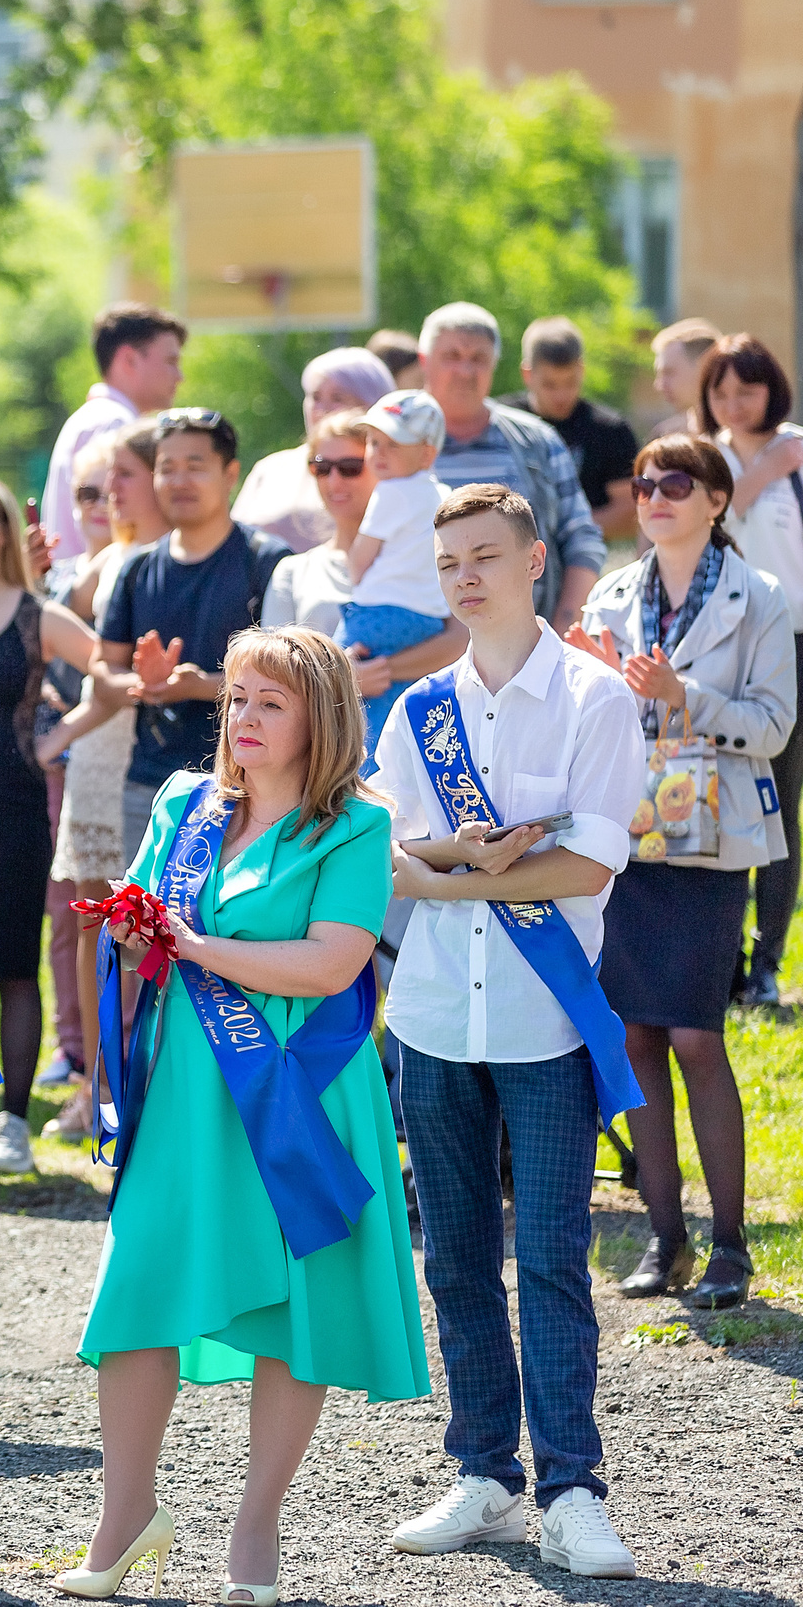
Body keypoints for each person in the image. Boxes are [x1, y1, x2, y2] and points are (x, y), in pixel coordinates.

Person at [61, 627, 421, 1606]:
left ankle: (254, 1530)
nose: (244, 717)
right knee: (137, 1286)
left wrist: (192, 946)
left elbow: (332, 964)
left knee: (288, 1308)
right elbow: (149, 938)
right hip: (184, 1086)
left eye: (270, 701)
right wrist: (134, 933)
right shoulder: (183, 804)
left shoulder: (355, 825)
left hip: (297, 1089)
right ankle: (124, 1518)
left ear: (321, 717)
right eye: (235, 698)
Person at [371, 484, 644, 1581]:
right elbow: (384, 855)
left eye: (485, 556)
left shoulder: (594, 698)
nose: (466, 578)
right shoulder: (417, 710)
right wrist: (467, 861)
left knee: (554, 1261)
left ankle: (573, 1489)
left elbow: (587, 864)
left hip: (545, 1021)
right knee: (456, 1260)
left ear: (535, 560)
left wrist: (459, 869)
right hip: (434, 1016)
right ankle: (484, 1473)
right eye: (449, 563)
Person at [572, 436, 792, 1310]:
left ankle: (730, 1244)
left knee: (697, 1036)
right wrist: (597, 684)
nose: (655, 496)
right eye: (643, 483)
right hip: (626, 839)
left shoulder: (760, 595)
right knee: (634, 1036)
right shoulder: (610, 594)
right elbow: (587, 719)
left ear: (717, 500)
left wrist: (681, 695)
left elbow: (774, 726)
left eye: (676, 482)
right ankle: (666, 1239)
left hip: (710, 843)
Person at [0, 468, 103, 1176]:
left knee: (13, 967)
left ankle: (13, 1120)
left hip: (12, 808)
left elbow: (114, 677)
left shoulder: (37, 614)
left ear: (5, 524)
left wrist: (55, 740)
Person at [97, 408, 292, 855]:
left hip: (249, 788)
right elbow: (104, 671)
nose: (179, 481)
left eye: (195, 466)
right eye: (167, 468)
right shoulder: (137, 568)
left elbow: (289, 681)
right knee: (142, 903)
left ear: (231, 475)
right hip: (149, 787)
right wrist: (144, 685)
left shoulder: (267, 562)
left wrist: (197, 685)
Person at [42, 425, 159, 1134]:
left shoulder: (176, 558)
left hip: (153, 756)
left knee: (156, 927)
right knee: (95, 924)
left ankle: (148, 1087)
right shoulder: (112, 557)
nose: (110, 492)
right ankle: (98, 1085)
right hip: (99, 755)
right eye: (100, 481)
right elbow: (76, 625)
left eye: (124, 475)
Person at [701, 334, 803, 1005]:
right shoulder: (700, 456)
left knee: (781, 804)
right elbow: (703, 525)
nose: (734, 404)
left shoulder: (798, 448)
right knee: (715, 797)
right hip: (719, 644)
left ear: (773, 390)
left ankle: (766, 959)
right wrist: (761, 471)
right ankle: (719, 958)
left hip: (792, 642)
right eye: (721, 392)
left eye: (748, 390)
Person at [259, 410, 469, 703]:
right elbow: (271, 671)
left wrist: (377, 672)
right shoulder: (293, 571)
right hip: (326, 730)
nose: (334, 481)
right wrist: (341, 677)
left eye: (350, 467)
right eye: (321, 467)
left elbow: (461, 641)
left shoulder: (430, 554)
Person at [417, 302, 604, 629]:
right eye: (452, 356)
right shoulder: (389, 445)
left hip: (526, 644)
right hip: (416, 646)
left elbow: (581, 539)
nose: (465, 371)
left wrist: (561, 630)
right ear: (424, 360)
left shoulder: (537, 442)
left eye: (478, 359)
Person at [338, 391, 453, 753]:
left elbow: (358, 564)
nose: (379, 453)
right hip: (428, 622)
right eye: (374, 442)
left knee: (340, 698)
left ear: (427, 454)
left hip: (376, 616)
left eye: (394, 444)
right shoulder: (443, 496)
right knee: (398, 716)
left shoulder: (391, 492)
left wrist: (351, 564)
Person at [45, 303, 185, 561]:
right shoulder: (115, 424)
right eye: (171, 361)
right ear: (129, 359)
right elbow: (107, 532)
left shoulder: (95, 416)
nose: (180, 376)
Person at [229, 347, 395, 553]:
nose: (321, 409)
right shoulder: (271, 468)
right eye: (315, 397)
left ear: (372, 405)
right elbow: (235, 542)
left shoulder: (387, 468)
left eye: (337, 398)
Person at [501, 317, 641, 540]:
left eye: (570, 382)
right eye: (549, 385)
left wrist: (559, 534)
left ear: (582, 370)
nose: (561, 395)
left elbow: (629, 510)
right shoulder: (502, 424)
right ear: (527, 374)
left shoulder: (610, 430)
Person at [649, 318, 722, 442]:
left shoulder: (741, 437)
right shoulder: (665, 438)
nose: (659, 385)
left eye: (669, 372)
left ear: (704, 368)